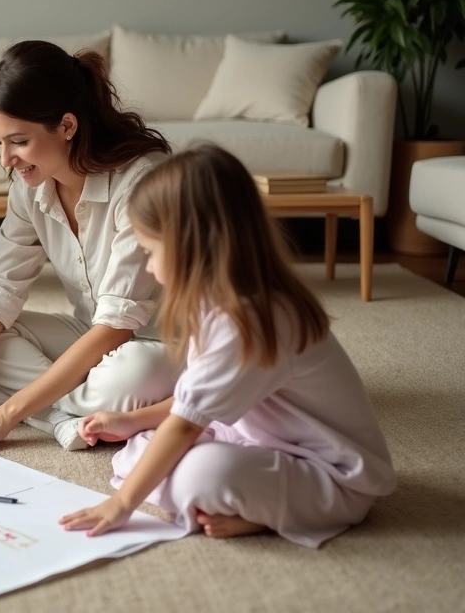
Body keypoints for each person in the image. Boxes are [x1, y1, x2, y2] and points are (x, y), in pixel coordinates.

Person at [60, 145, 396, 547]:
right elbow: (194, 399)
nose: (148, 266)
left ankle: (263, 512)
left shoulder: (252, 318)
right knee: (138, 449)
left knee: (200, 474)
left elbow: (186, 424)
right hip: (256, 437)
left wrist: (119, 505)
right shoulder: (216, 302)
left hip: (332, 475)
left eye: (150, 252)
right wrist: (132, 421)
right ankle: (247, 501)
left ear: (189, 244)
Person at [0, 40, 174, 455]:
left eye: (18, 142)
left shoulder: (142, 182)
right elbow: (0, 290)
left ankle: (17, 402)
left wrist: (4, 415)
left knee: (132, 374)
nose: (6, 160)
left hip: (157, 344)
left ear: (67, 126)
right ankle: (62, 417)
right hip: (90, 332)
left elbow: (119, 325)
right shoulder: (31, 186)